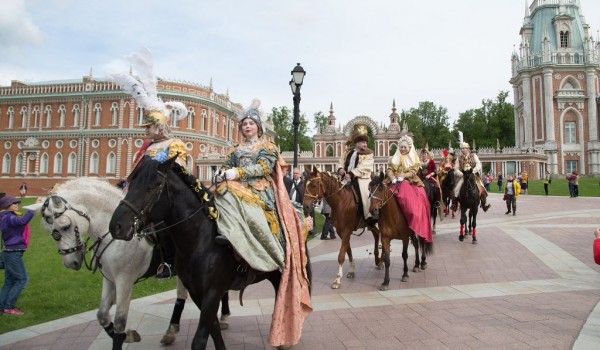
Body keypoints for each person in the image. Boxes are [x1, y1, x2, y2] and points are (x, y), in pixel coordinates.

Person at [213, 98, 312, 347]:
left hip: (260, 189)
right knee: (216, 199)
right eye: (244, 123)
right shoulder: (235, 150)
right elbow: (227, 166)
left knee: (249, 209)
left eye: (250, 123)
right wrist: (223, 173)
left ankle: (268, 246)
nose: (247, 126)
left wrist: (238, 173)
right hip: (235, 186)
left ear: (258, 126)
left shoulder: (268, 146)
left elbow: (264, 168)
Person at [109, 47, 188, 280]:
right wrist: (125, 183)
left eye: (151, 126)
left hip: (165, 193)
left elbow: (179, 169)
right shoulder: (146, 147)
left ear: (161, 126)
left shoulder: (175, 144)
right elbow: (137, 172)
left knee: (163, 225)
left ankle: (170, 262)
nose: (148, 130)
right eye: (147, 127)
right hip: (144, 192)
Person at [386, 134, 433, 244]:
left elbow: (413, 171)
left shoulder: (414, 158)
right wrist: (393, 178)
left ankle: (415, 222)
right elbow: (389, 169)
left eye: (405, 147)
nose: (402, 149)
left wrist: (404, 176)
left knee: (412, 200)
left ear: (409, 148)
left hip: (409, 181)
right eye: (401, 147)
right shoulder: (393, 158)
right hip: (393, 181)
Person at [0, 195, 35, 315]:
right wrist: (33, 209)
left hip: (9, 252)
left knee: (9, 281)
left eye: (16, 203)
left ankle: (2, 307)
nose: (16, 204)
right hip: (13, 253)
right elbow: (23, 221)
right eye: (13, 203)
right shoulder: (9, 217)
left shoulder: (6, 217)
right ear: (6, 206)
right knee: (22, 279)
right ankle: (9, 307)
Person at [340, 123, 374, 223]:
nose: (365, 144)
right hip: (345, 179)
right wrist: (341, 170)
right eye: (363, 142)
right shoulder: (348, 152)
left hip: (362, 179)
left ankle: (369, 216)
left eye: (366, 142)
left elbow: (364, 167)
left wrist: (351, 174)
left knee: (366, 195)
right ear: (357, 143)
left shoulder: (369, 154)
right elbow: (341, 161)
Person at [451, 142, 491, 212]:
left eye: (464, 148)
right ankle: (455, 204)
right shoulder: (459, 158)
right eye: (461, 149)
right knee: (456, 189)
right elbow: (456, 169)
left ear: (468, 149)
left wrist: (474, 171)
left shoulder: (474, 156)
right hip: (463, 176)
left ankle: (484, 204)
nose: (462, 150)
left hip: (473, 175)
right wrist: (461, 174)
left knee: (482, 188)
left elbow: (479, 164)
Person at [420, 148, 442, 214]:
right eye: (423, 154)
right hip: (420, 178)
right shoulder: (419, 162)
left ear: (427, 154)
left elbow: (435, 171)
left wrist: (429, 175)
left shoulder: (431, 161)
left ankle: (437, 201)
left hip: (429, 178)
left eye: (425, 154)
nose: (424, 155)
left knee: (437, 187)